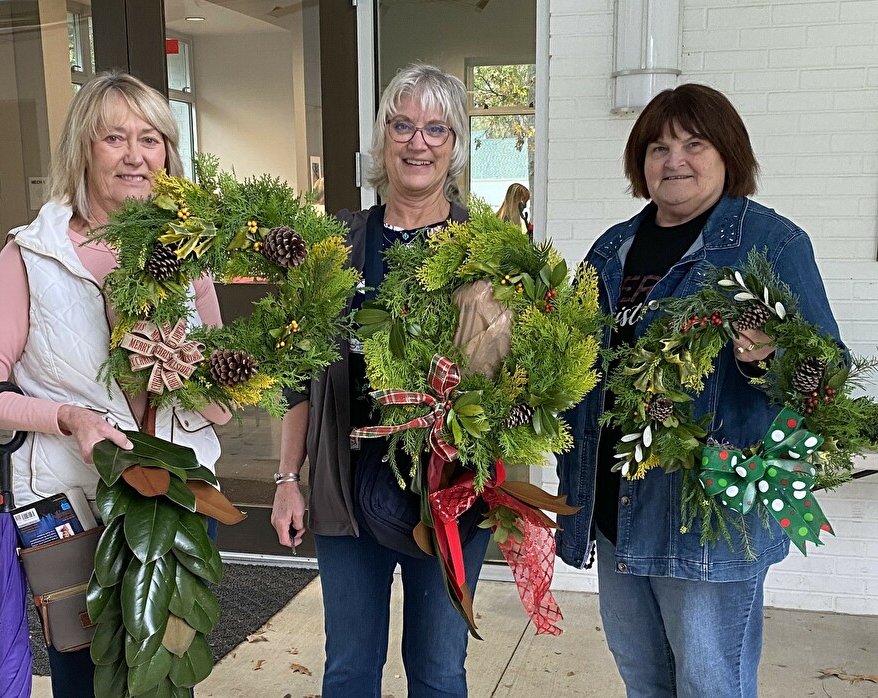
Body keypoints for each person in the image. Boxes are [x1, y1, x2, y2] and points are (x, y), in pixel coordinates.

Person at [555, 83, 841, 698]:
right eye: (657, 147)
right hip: (616, 512)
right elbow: (574, 366)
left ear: (727, 152)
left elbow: (830, 370)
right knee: (645, 682)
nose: (673, 160)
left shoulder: (771, 243)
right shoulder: (611, 249)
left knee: (712, 686)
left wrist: (773, 357)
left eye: (693, 143)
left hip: (707, 518)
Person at [0, 71, 231, 697]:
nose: (136, 156)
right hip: (75, 505)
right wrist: (69, 419)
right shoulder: (31, 255)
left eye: (151, 139)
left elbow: (214, 385)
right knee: (85, 677)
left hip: (178, 496)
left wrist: (218, 388)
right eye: (114, 138)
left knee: (168, 670)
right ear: (84, 149)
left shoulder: (188, 255)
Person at [270, 63, 490, 697]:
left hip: (448, 496)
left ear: (455, 146)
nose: (417, 141)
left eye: (436, 129)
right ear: (381, 138)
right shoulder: (339, 244)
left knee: (440, 673)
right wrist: (288, 481)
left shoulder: (486, 250)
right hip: (347, 489)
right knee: (349, 671)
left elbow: (507, 385)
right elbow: (300, 375)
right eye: (402, 125)